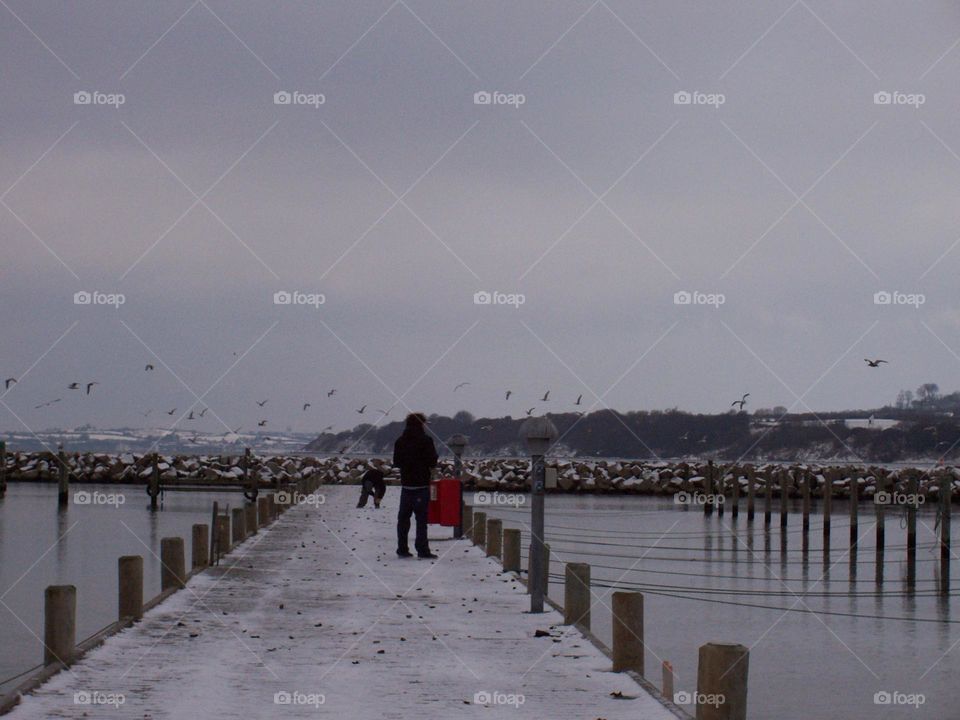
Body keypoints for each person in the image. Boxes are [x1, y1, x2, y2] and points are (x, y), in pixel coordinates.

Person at [393, 412, 438, 559]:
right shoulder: (426, 440)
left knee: (403, 520)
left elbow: (397, 462)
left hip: (406, 486)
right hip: (421, 486)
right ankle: (422, 550)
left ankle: (402, 548)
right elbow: (432, 461)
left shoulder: (400, 441)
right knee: (421, 521)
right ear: (421, 424)